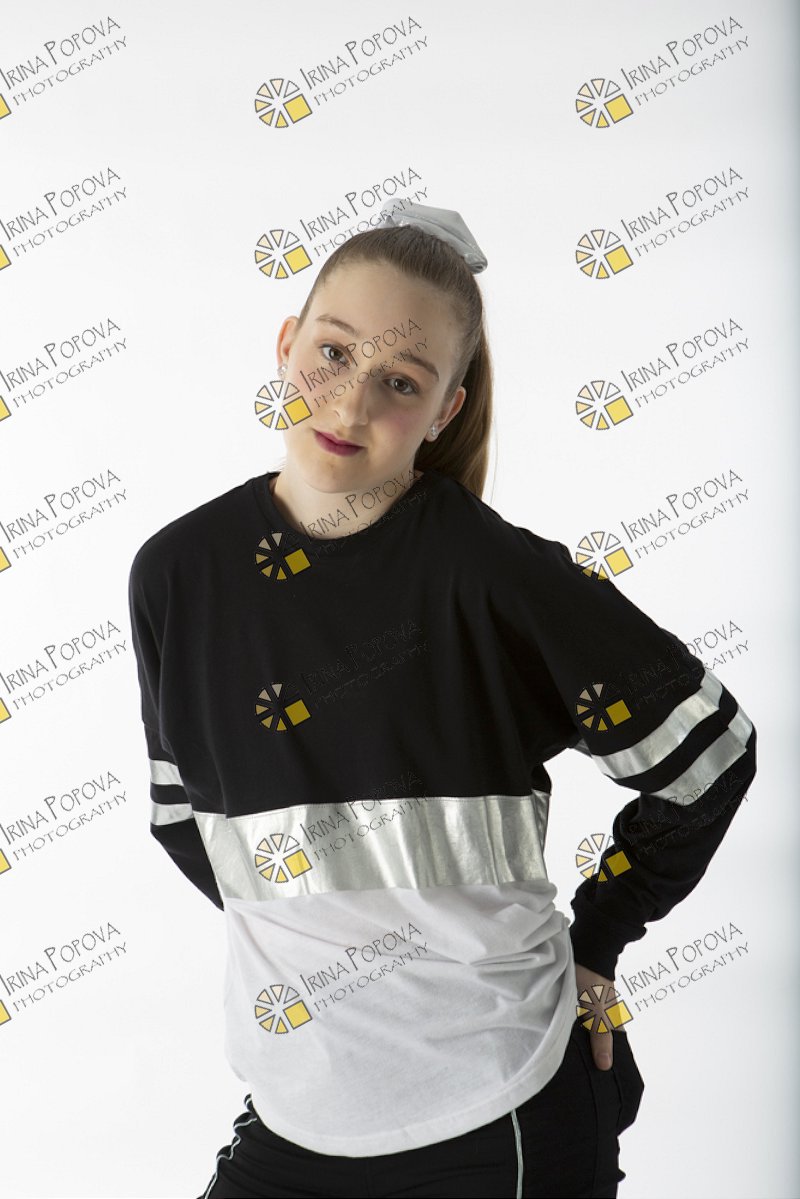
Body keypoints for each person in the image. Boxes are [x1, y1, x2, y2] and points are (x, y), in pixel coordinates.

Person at [127, 203, 757, 1198]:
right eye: (333, 352)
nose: (349, 403)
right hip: (292, 1116)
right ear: (286, 344)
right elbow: (183, 819)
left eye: (400, 381)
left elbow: (709, 753)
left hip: (502, 1114)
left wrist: (598, 937)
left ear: (445, 409)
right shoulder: (177, 573)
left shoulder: (489, 572)